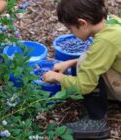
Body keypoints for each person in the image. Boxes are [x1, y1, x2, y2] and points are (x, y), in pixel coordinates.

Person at [43, 0, 121, 139]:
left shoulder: (105, 41)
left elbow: (84, 85)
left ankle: (95, 121)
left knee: (85, 63)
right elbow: (100, 56)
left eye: (70, 28)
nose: (71, 33)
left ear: (83, 23)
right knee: (85, 61)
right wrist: (70, 62)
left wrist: (57, 78)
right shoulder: (111, 23)